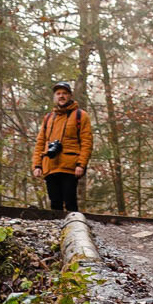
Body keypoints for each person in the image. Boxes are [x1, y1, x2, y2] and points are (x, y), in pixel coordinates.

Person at [32, 81, 93, 213]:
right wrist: (37, 165)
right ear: (55, 97)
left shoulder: (80, 116)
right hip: (50, 165)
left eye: (64, 93)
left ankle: (75, 230)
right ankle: (57, 232)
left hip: (70, 166)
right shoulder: (48, 117)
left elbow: (87, 142)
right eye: (58, 93)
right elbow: (40, 142)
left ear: (70, 95)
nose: (61, 96)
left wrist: (81, 164)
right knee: (55, 203)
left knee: (70, 202)